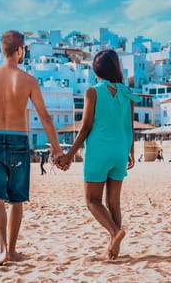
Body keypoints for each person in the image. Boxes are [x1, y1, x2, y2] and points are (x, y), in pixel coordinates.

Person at [0, 30, 66, 266]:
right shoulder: (28, 80)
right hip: (19, 141)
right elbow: (45, 118)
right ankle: (12, 249)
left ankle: (2, 251)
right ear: (20, 50)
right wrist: (57, 150)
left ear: (2, 50)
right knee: (16, 201)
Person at [58, 49, 140, 261]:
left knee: (92, 200)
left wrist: (69, 155)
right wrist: (131, 152)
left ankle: (115, 233)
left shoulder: (92, 92)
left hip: (99, 152)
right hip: (120, 151)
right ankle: (113, 250)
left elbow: (86, 127)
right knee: (114, 203)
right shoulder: (126, 93)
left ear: (97, 69)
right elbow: (130, 126)